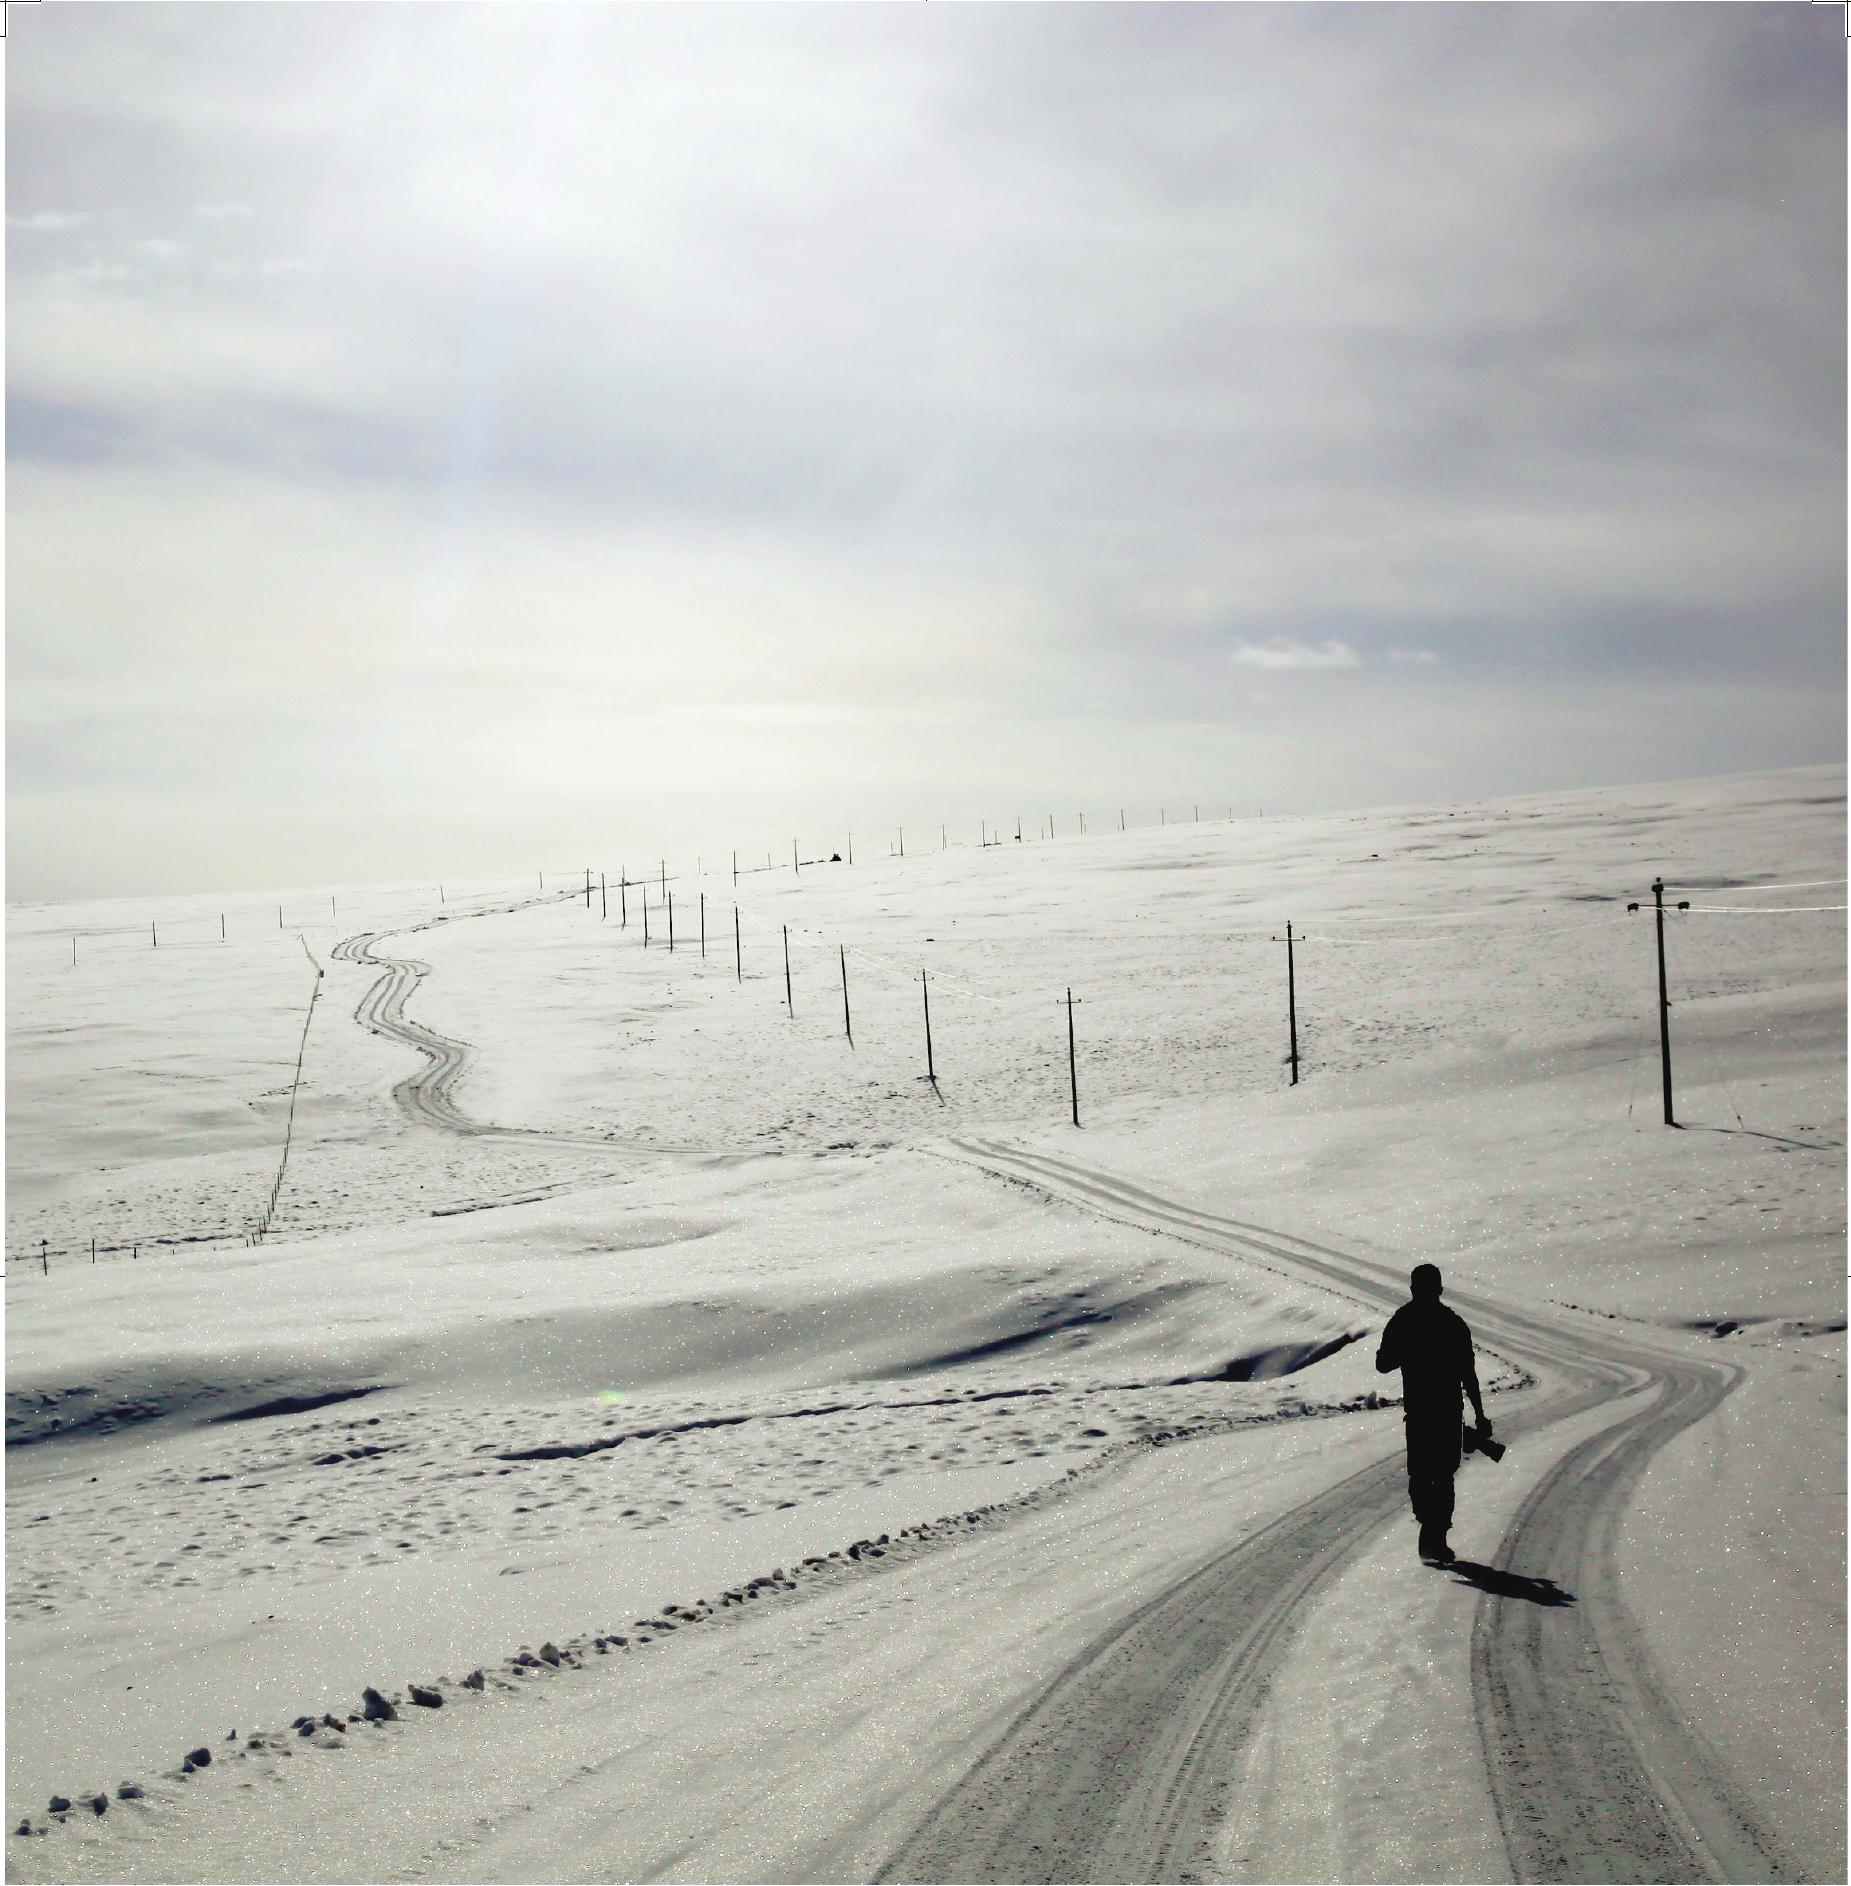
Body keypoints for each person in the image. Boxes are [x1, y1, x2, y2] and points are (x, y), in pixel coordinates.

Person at [1375, 1264, 1488, 1565]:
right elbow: (1468, 1375)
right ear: (1439, 1289)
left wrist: (1407, 1350)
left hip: (1421, 1413)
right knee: (1443, 1475)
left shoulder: (1404, 1320)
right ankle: (1435, 1534)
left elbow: (1383, 1364)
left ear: (1413, 1289)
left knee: (1423, 1474)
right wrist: (1479, 1414)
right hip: (1446, 1412)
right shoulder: (1453, 1323)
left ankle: (1430, 1528)